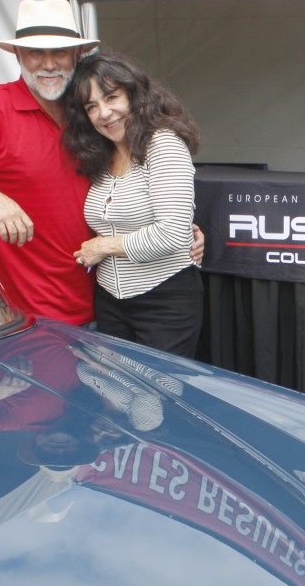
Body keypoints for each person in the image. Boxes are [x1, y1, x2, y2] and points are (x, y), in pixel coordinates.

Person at [0, 0, 202, 327]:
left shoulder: (93, 112)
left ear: (77, 56)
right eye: (36, 52)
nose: (48, 64)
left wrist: (180, 232)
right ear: (18, 55)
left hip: (109, 306)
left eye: (59, 52)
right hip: (32, 322)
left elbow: (133, 188)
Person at [63, 50, 204, 358]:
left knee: (159, 397)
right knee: (120, 396)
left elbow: (172, 233)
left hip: (165, 299)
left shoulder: (163, 143)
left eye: (112, 98)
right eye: (92, 106)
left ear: (134, 95)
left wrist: (103, 246)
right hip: (109, 299)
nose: (104, 113)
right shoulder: (99, 156)